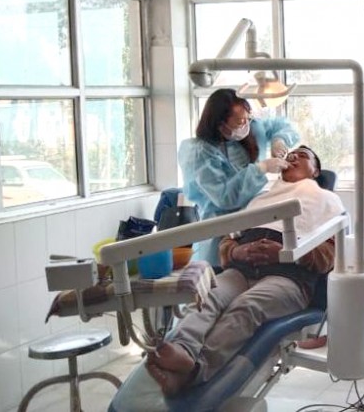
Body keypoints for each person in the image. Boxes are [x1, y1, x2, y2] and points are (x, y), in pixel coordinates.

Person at [147, 146, 343, 396]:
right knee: (208, 298)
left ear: (316, 171)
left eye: (303, 156)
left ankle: (196, 369)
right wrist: (236, 252)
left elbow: (328, 257)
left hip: (288, 277)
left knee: (246, 307)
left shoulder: (327, 201)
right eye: (291, 154)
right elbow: (228, 241)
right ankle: (183, 350)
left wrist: (286, 251)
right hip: (241, 270)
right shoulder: (261, 199)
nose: (293, 157)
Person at [179, 88, 300, 266]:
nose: (246, 125)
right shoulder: (199, 152)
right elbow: (225, 198)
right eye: (239, 122)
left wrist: (279, 139)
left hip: (254, 223)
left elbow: (281, 126)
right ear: (219, 123)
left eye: (247, 119)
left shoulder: (252, 129)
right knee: (223, 282)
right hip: (219, 230)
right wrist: (261, 168)